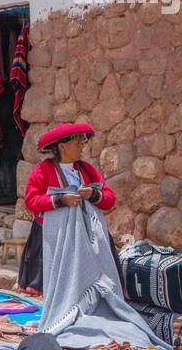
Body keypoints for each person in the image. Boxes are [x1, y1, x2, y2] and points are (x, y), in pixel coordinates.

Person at [18, 122, 117, 295]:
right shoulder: (43, 170)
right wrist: (60, 199)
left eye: (82, 143)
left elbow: (109, 199)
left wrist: (93, 194)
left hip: (85, 235)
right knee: (55, 288)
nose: (82, 148)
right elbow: (31, 200)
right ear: (63, 147)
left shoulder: (88, 170)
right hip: (53, 236)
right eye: (78, 144)